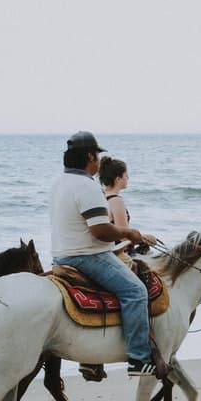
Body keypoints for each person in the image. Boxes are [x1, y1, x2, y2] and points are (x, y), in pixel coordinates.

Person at [51, 131, 158, 377]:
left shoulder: (59, 182)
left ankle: (93, 357)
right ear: (90, 156)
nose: (98, 160)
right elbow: (100, 231)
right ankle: (139, 359)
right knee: (135, 291)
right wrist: (129, 233)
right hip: (87, 256)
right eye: (97, 155)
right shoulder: (86, 186)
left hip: (60, 256)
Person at [78, 155, 146, 382]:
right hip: (119, 254)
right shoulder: (116, 200)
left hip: (105, 252)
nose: (128, 179)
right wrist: (144, 238)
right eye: (126, 175)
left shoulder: (100, 196)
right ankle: (142, 348)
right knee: (144, 286)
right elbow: (123, 235)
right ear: (118, 178)